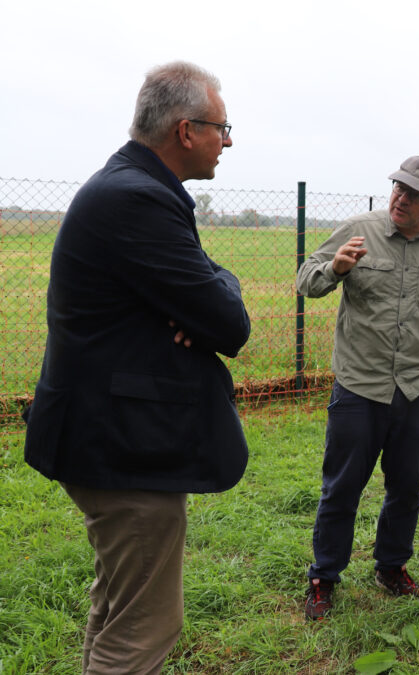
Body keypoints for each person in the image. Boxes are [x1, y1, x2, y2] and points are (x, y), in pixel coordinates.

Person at [22, 61, 249, 673]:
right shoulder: (137, 200)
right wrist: (208, 296)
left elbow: (208, 290)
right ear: (185, 130)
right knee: (144, 629)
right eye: (222, 130)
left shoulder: (131, 188)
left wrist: (205, 290)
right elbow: (230, 324)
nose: (226, 143)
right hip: (121, 448)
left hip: (107, 438)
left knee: (119, 608)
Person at [296, 156, 419, 620]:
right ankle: (324, 576)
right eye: (398, 188)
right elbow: (306, 279)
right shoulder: (358, 230)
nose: (401, 198)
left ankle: (391, 567)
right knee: (341, 488)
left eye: (414, 194)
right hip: (360, 386)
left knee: (407, 487)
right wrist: (336, 269)